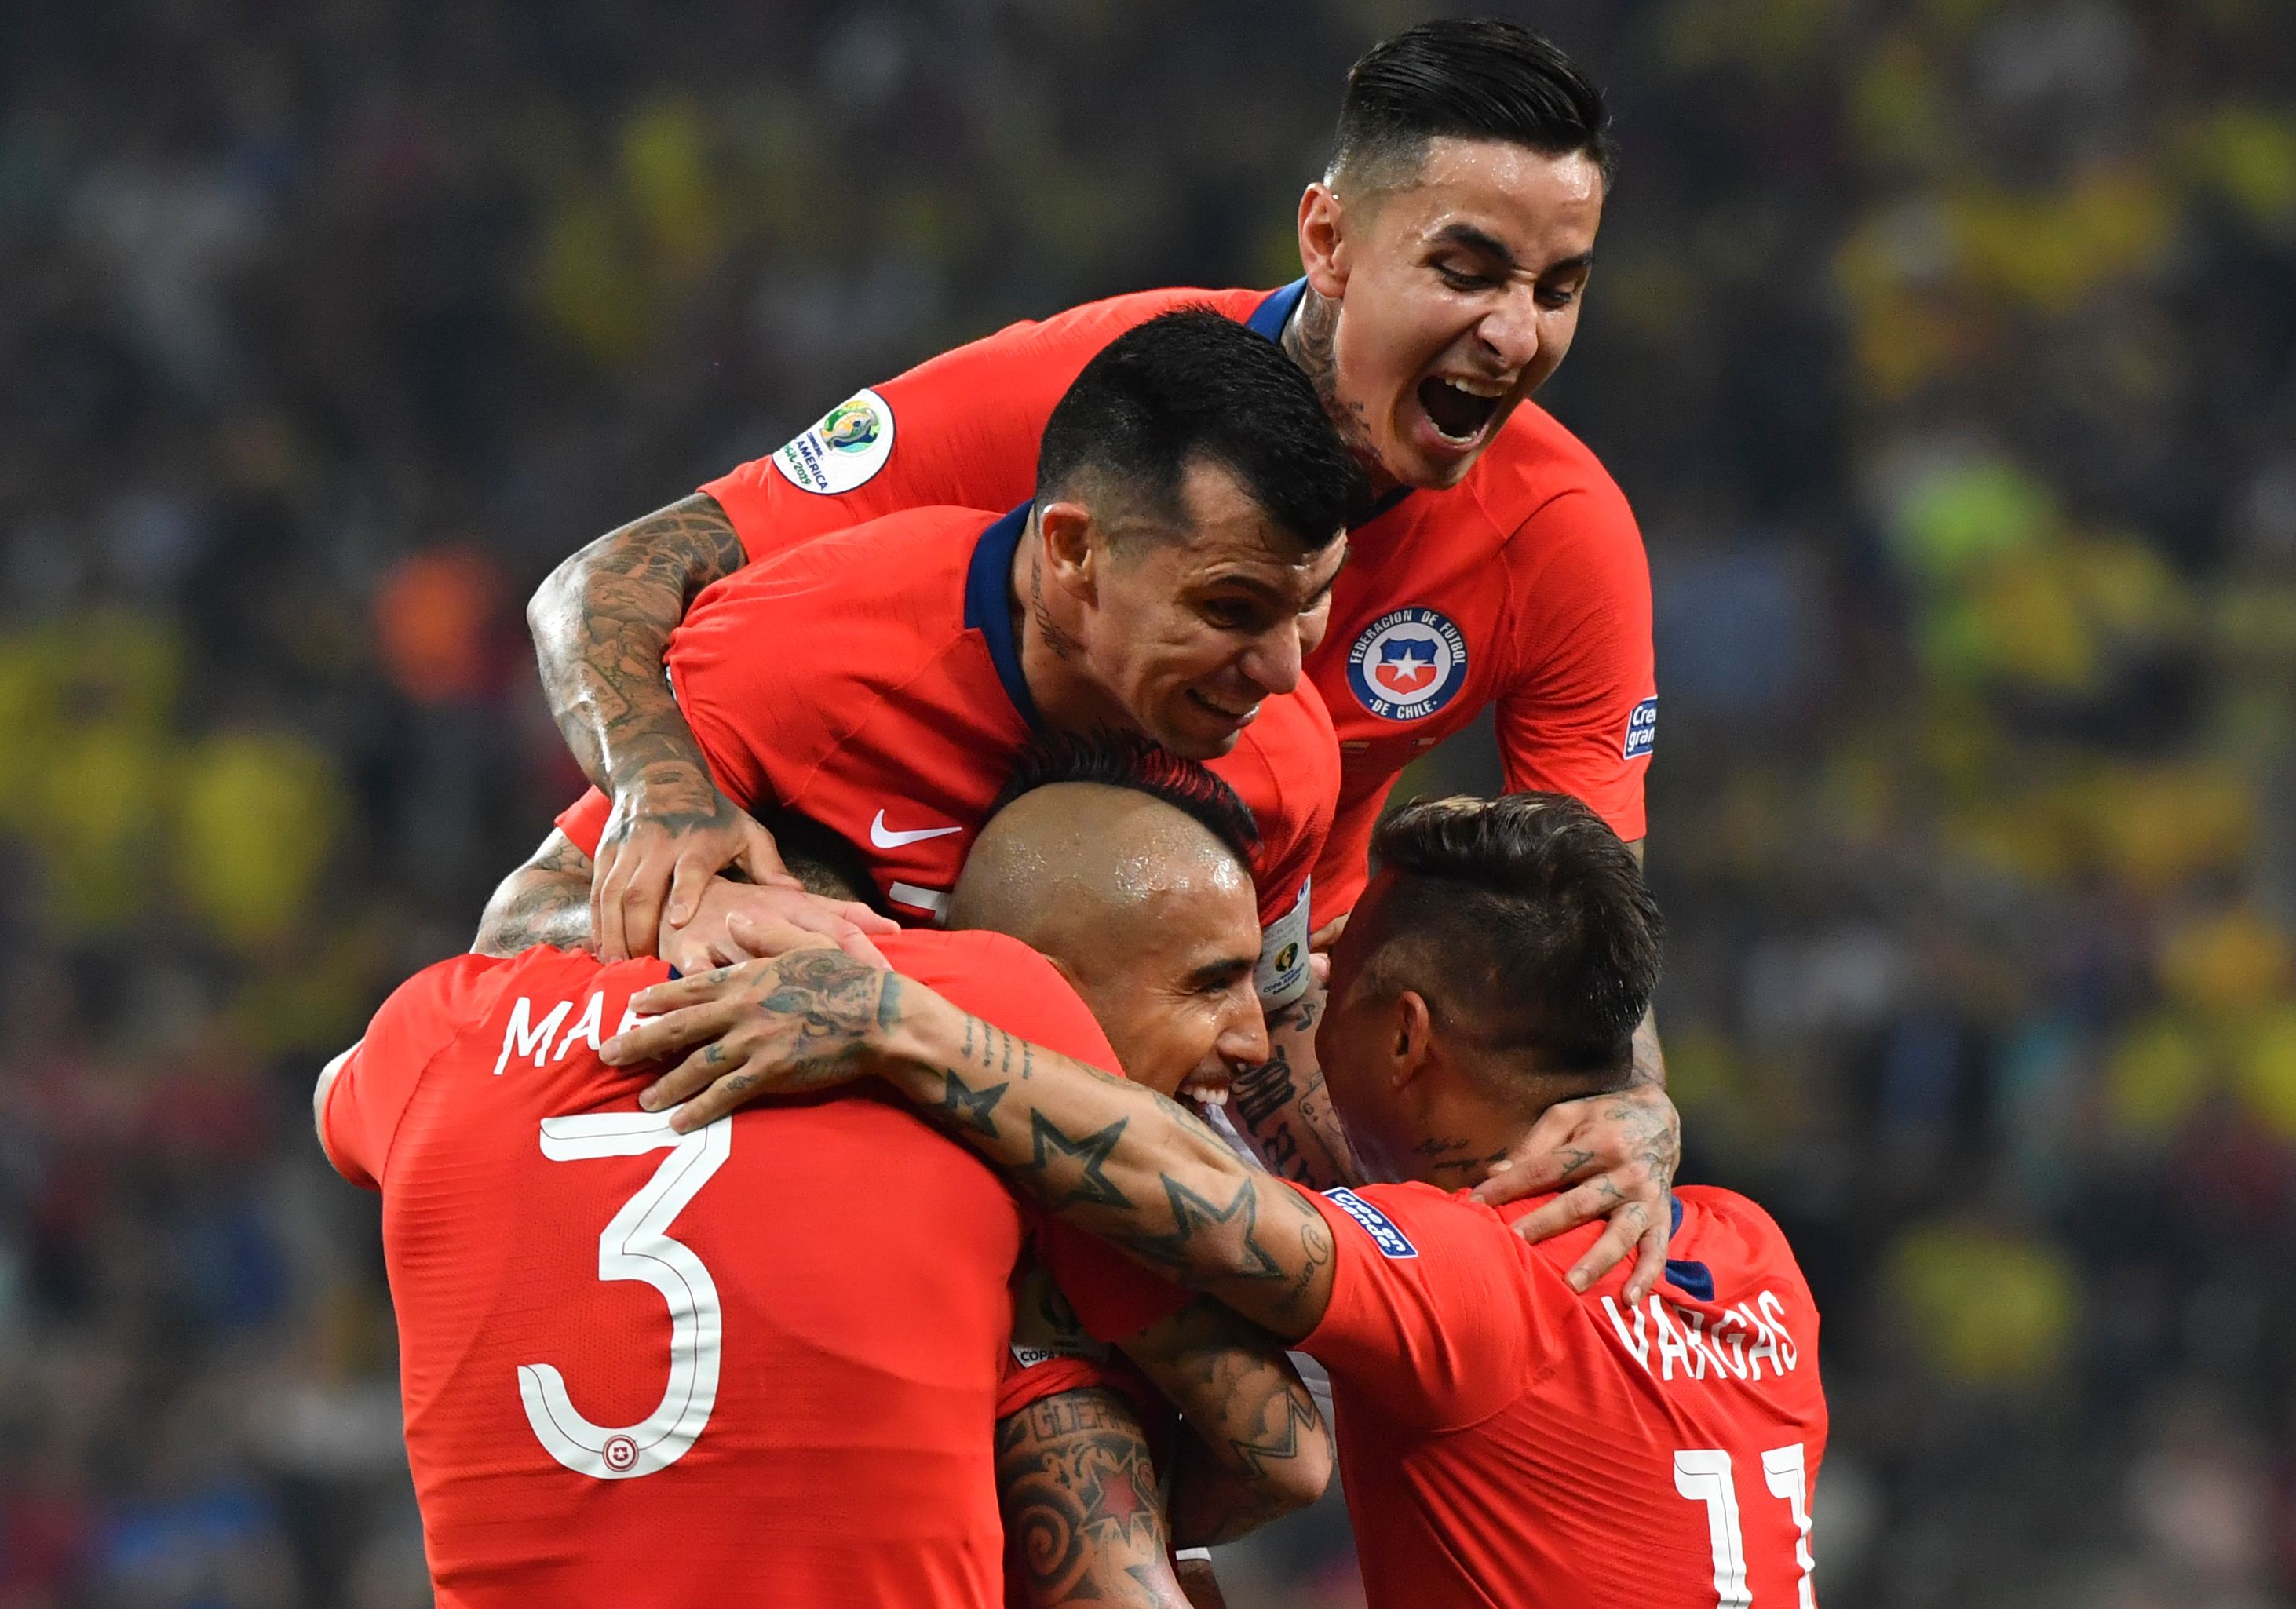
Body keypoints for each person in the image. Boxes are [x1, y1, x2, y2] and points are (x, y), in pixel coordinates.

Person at [522, 15, 1681, 1294]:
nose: (1516, 335)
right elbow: (607, 581)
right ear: (1330, 241)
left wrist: (1636, 1104)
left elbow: (1581, 939)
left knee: (1320, 1393)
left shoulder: (1563, 540)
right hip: (898, 918)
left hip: (1244, 1010)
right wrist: (666, 792)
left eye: (1557, 287)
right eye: (1467, 271)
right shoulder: (1099, 400)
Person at [613, 793, 1830, 1608]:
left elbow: (1179, 1181)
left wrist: (899, 1021)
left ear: (1404, 1035)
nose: (1265, 1037)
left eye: (1316, 987)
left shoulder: (1474, 1284)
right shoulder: (1753, 1252)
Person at [318, 876, 1324, 1606]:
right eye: (1211, 983)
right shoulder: (978, 1001)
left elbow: (338, 1092)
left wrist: (635, 894)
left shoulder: (436, 1025)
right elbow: (1283, 1454)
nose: (1247, 1033)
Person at [486, 308, 1362, 1047]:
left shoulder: (1286, 761)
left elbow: (1270, 1048)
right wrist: (710, 926)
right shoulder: (808, 648)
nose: (1286, 668)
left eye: (1312, 603)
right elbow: (515, 934)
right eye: (1230, 609)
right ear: (1074, 552)